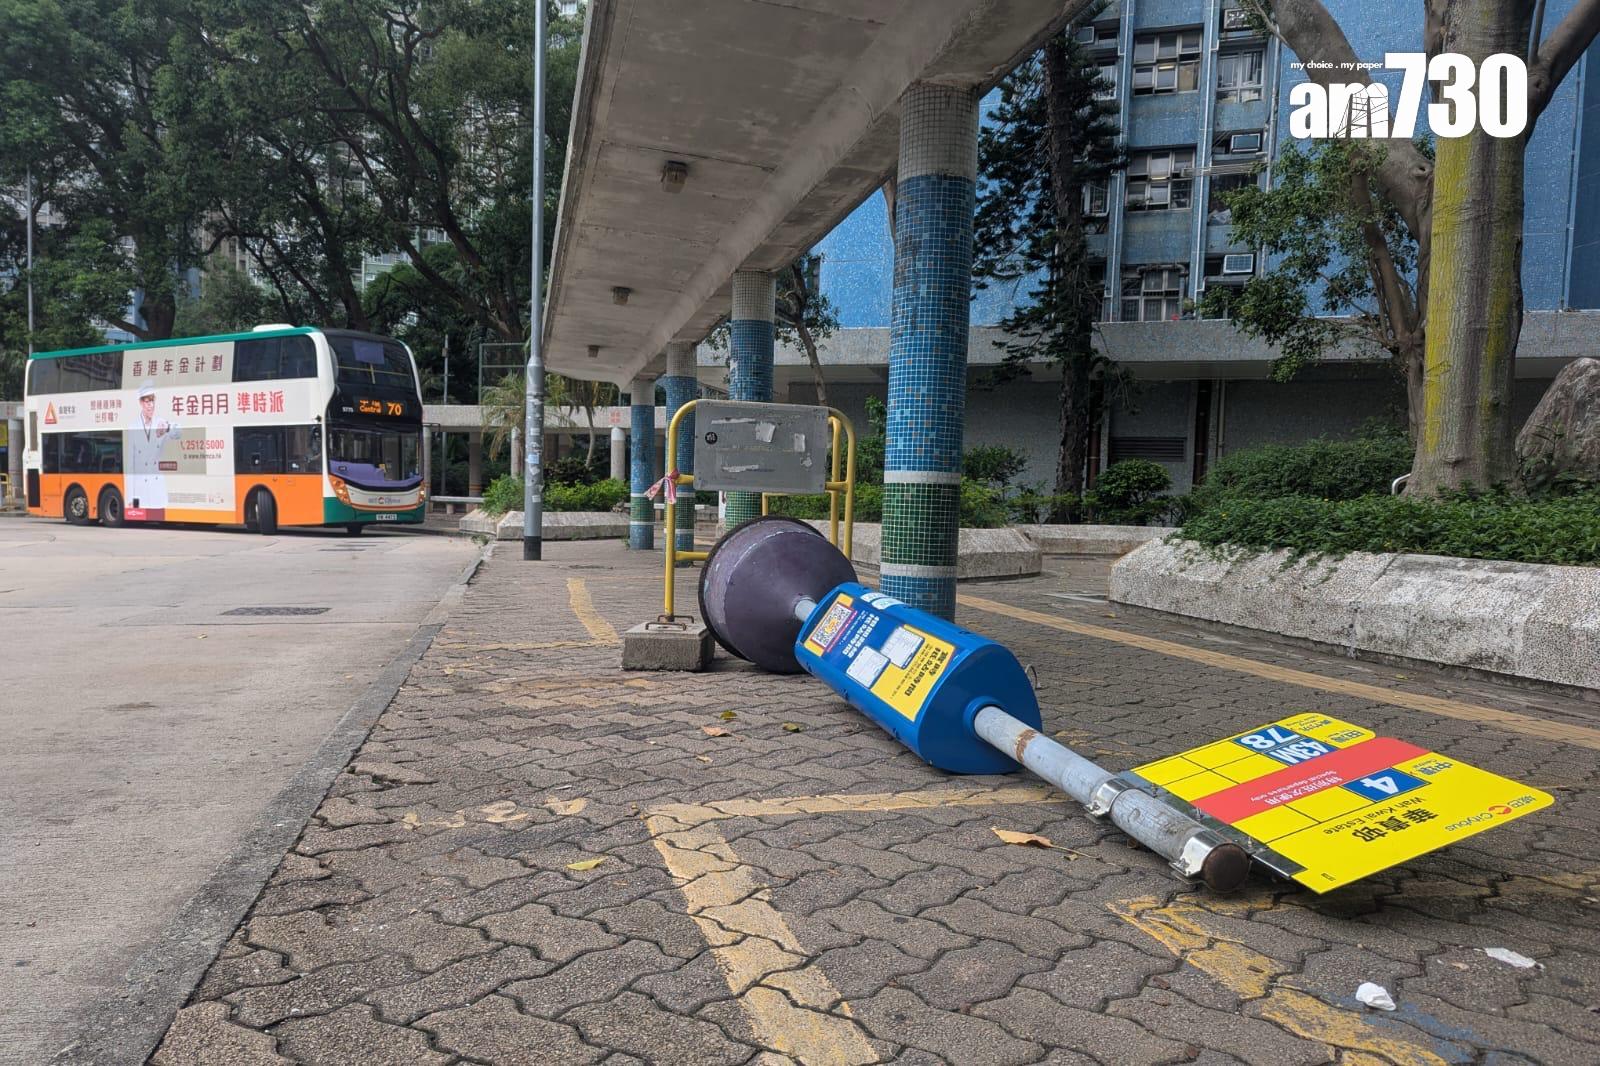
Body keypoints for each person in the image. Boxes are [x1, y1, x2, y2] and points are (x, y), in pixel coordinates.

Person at [126, 380, 178, 516]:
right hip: (140, 489)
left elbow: (178, 433)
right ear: (141, 403)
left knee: (159, 518)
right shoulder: (133, 427)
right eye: (147, 401)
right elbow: (130, 465)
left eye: (152, 401)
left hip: (157, 489)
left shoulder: (160, 422)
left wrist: (167, 427)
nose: (151, 405)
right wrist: (130, 497)